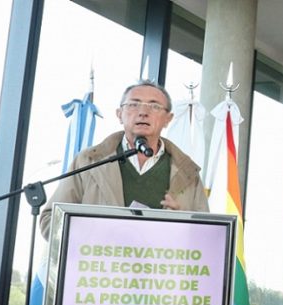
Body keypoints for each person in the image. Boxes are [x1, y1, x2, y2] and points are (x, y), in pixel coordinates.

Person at [39, 79, 208, 237]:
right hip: (99, 259)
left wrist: (182, 225)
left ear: (168, 119)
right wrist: (96, 235)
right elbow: (50, 221)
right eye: (133, 104)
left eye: (154, 106)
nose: (143, 112)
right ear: (119, 114)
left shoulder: (187, 172)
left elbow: (207, 235)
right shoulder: (89, 162)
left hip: (163, 260)